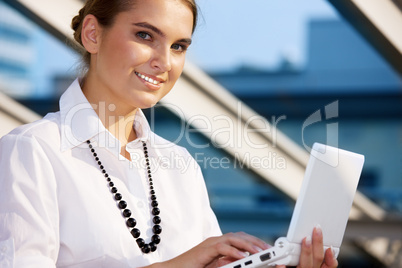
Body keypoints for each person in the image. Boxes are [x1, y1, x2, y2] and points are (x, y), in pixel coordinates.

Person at [0, 0, 338, 267]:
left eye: (178, 46)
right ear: (93, 34)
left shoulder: (180, 164)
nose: (164, 61)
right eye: (145, 36)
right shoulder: (32, 150)